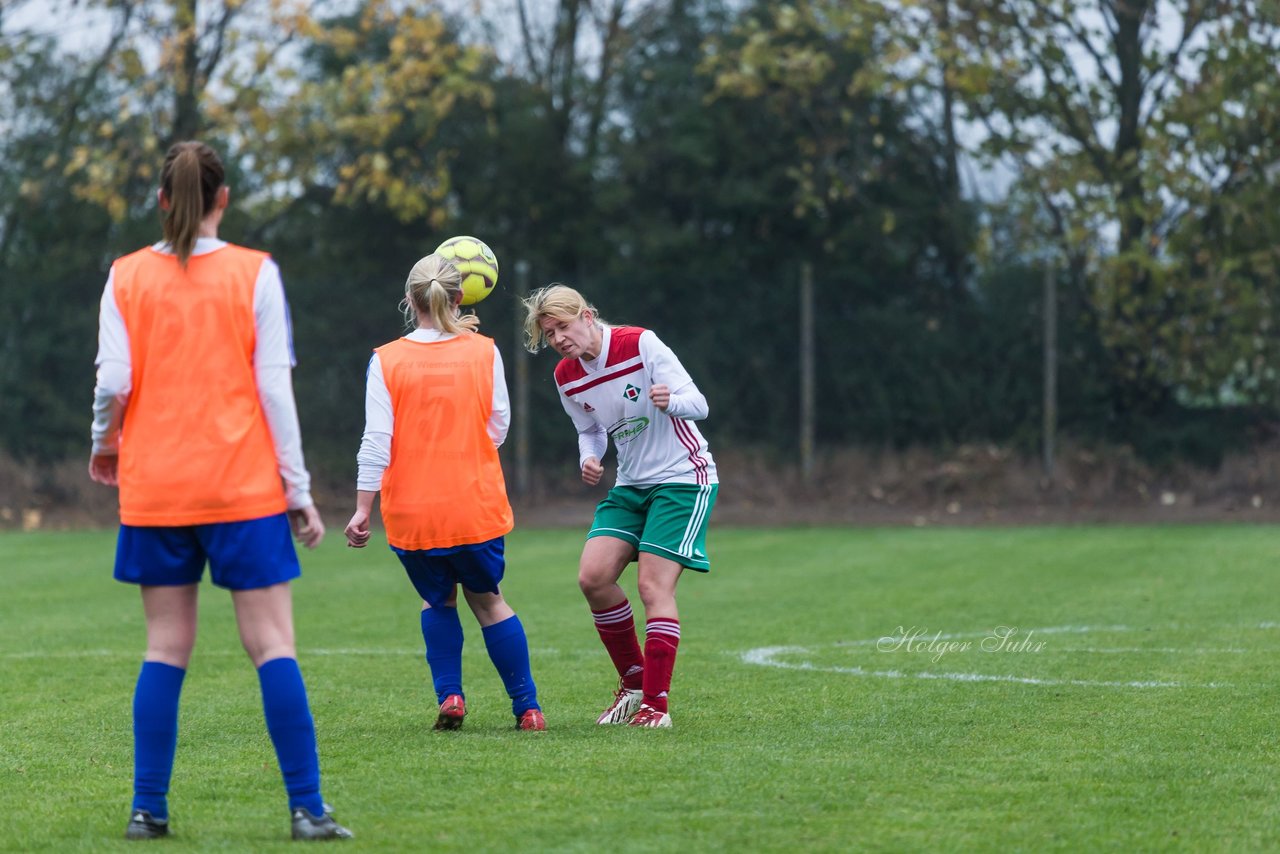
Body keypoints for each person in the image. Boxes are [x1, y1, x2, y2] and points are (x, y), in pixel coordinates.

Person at [88, 141, 352, 842]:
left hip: (157, 490)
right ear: (223, 200)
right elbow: (274, 389)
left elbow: (113, 381)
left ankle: (148, 812)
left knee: (164, 648)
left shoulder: (125, 276)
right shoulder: (254, 273)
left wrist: (104, 446)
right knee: (273, 647)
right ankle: (307, 810)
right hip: (243, 490)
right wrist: (297, 489)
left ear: (162, 200)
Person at [343, 253, 544, 732]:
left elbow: (376, 440)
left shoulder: (385, 360)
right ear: (460, 298)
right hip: (473, 505)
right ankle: (528, 709)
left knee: (438, 603)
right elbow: (498, 427)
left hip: (413, 511)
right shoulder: (484, 350)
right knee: (490, 600)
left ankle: (451, 695)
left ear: (411, 301)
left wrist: (360, 509)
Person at [521, 284, 718, 729]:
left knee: (653, 587)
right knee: (592, 578)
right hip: (630, 486)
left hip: (682, 479)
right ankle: (633, 684)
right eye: (549, 333)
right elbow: (589, 429)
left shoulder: (639, 343)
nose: (558, 339)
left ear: (588, 316)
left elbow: (699, 405)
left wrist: (673, 402)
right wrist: (588, 457)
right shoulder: (566, 376)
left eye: (563, 327)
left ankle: (656, 706)